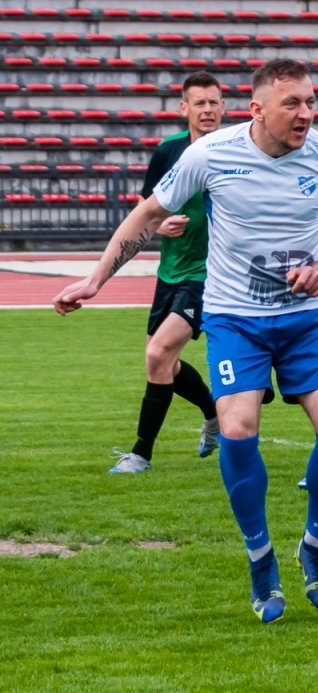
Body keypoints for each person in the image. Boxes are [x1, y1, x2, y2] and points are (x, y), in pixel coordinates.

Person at [53, 59, 318, 623]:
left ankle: (315, 546)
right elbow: (148, 214)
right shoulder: (211, 154)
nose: (305, 114)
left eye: (311, 102)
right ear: (257, 109)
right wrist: (96, 279)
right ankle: (261, 558)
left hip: (305, 319)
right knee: (239, 428)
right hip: (235, 319)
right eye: (292, 103)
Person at [105, 72, 225, 474]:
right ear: (184, 108)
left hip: (210, 274)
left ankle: (140, 453)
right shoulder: (168, 151)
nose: (207, 110)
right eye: (199, 103)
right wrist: (160, 225)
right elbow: (145, 212)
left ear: (223, 107)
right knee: (163, 364)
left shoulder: (236, 150)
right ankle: (213, 416)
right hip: (171, 270)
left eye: (214, 102)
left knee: (158, 353)